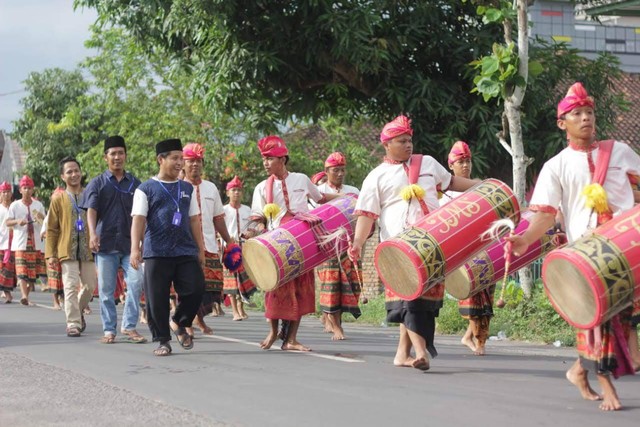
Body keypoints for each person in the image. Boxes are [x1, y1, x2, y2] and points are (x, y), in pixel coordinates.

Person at [506, 82, 640, 411]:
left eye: (590, 113)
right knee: (595, 319)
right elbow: (544, 215)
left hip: (624, 246)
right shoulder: (557, 166)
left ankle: (579, 371)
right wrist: (524, 238)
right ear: (562, 123)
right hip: (587, 252)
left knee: (622, 319)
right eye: (577, 114)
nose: (585, 119)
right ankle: (607, 387)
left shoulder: (620, 152)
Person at [348, 115, 477, 371]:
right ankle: (420, 353)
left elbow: (450, 183)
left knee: (420, 302)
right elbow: (366, 215)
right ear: (387, 145)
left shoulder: (427, 163)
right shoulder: (376, 177)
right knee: (410, 301)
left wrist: (479, 186)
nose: (408, 145)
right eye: (401, 141)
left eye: (409, 140)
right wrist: (358, 243)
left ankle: (401, 354)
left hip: (431, 244)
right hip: (398, 249)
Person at [248, 135, 337, 351]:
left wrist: (350, 198)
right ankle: (272, 332)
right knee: (275, 288)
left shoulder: (301, 179)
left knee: (301, 288)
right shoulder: (261, 187)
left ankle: (291, 339)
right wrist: (258, 232)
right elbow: (256, 219)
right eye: (264, 159)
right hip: (277, 245)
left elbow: (321, 199)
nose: (265, 163)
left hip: (303, 241)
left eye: (270, 159)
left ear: (283, 159)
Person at [130, 138, 206, 357]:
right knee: (157, 298)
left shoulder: (187, 188)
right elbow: (138, 220)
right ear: (160, 160)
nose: (180, 162)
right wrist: (136, 248)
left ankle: (179, 321)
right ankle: (163, 340)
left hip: (185, 250)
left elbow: (193, 220)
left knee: (196, 288)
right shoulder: (145, 189)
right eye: (175, 158)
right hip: (156, 252)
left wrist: (200, 249)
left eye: (181, 158)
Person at [82, 135, 146, 344]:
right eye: (113, 153)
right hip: (106, 244)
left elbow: (142, 215)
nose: (117, 157)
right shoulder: (97, 183)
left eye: (120, 153)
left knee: (136, 283)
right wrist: (92, 233)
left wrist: (142, 241)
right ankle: (109, 330)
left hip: (130, 246)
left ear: (126, 156)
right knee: (107, 291)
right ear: (105, 157)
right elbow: (91, 210)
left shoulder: (136, 184)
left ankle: (129, 326)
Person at [442, 141, 493, 356]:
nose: (465, 165)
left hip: (486, 247)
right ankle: (477, 342)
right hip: (463, 253)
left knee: (488, 297)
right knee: (472, 297)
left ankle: (472, 338)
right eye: (460, 162)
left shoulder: (482, 186)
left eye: (467, 161)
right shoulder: (446, 194)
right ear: (451, 166)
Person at [182, 142, 233, 336]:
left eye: (198, 161)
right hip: (185, 247)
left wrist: (229, 241)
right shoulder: (177, 187)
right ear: (183, 163)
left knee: (211, 289)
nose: (195, 165)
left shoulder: (211, 188)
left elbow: (218, 218)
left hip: (210, 245)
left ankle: (199, 318)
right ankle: (187, 323)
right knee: (188, 287)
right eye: (191, 161)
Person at [45, 157, 97, 337]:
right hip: (66, 249)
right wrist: (50, 254)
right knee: (70, 286)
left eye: (76, 170)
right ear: (62, 176)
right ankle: (73, 322)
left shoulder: (90, 195)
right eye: (69, 172)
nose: (74, 174)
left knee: (90, 286)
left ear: (81, 172)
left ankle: (79, 311)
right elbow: (51, 228)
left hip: (88, 249)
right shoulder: (58, 199)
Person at [315, 152, 362, 340]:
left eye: (343, 170)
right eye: (336, 170)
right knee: (332, 284)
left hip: (348, 245)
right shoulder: (318, 193)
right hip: (327, 246)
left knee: (349, 284)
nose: (340, 173)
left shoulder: (354, 191)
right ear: (327, 171)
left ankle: (335, 320)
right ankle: (335, 326)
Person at [5, 175, 46, 306]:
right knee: (22, 271)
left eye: (29, 188)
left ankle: (26, 296)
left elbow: (44, 222)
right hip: (21, 242)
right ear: (20, 190)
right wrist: (18, 221)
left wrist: (40, 217)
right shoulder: (15, 205)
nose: (27, 190)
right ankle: (24, 295)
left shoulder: (38, 205)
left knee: (33, 274)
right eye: (24, 188)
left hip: (35, 243)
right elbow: (7, 222)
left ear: (33, 190)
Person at [222, 175, 257, 320]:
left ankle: (242, 308)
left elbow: (253, 227)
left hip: (244, 247)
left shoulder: (247, 210)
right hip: (229, 247)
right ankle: (235, 311)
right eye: (234, 190)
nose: (236, 193)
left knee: (243, 279)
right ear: (228, 192)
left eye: (239, 190)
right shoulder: (223, 210)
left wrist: (250, 233)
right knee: (231, 279)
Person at [0, 181, 16, 303]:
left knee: (9, 269)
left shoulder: (15, 207)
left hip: (13, 243)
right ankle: (6, 293)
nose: (6, 194)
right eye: (3, 192)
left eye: (8, 192)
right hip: (1, 242)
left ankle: (7, 293)